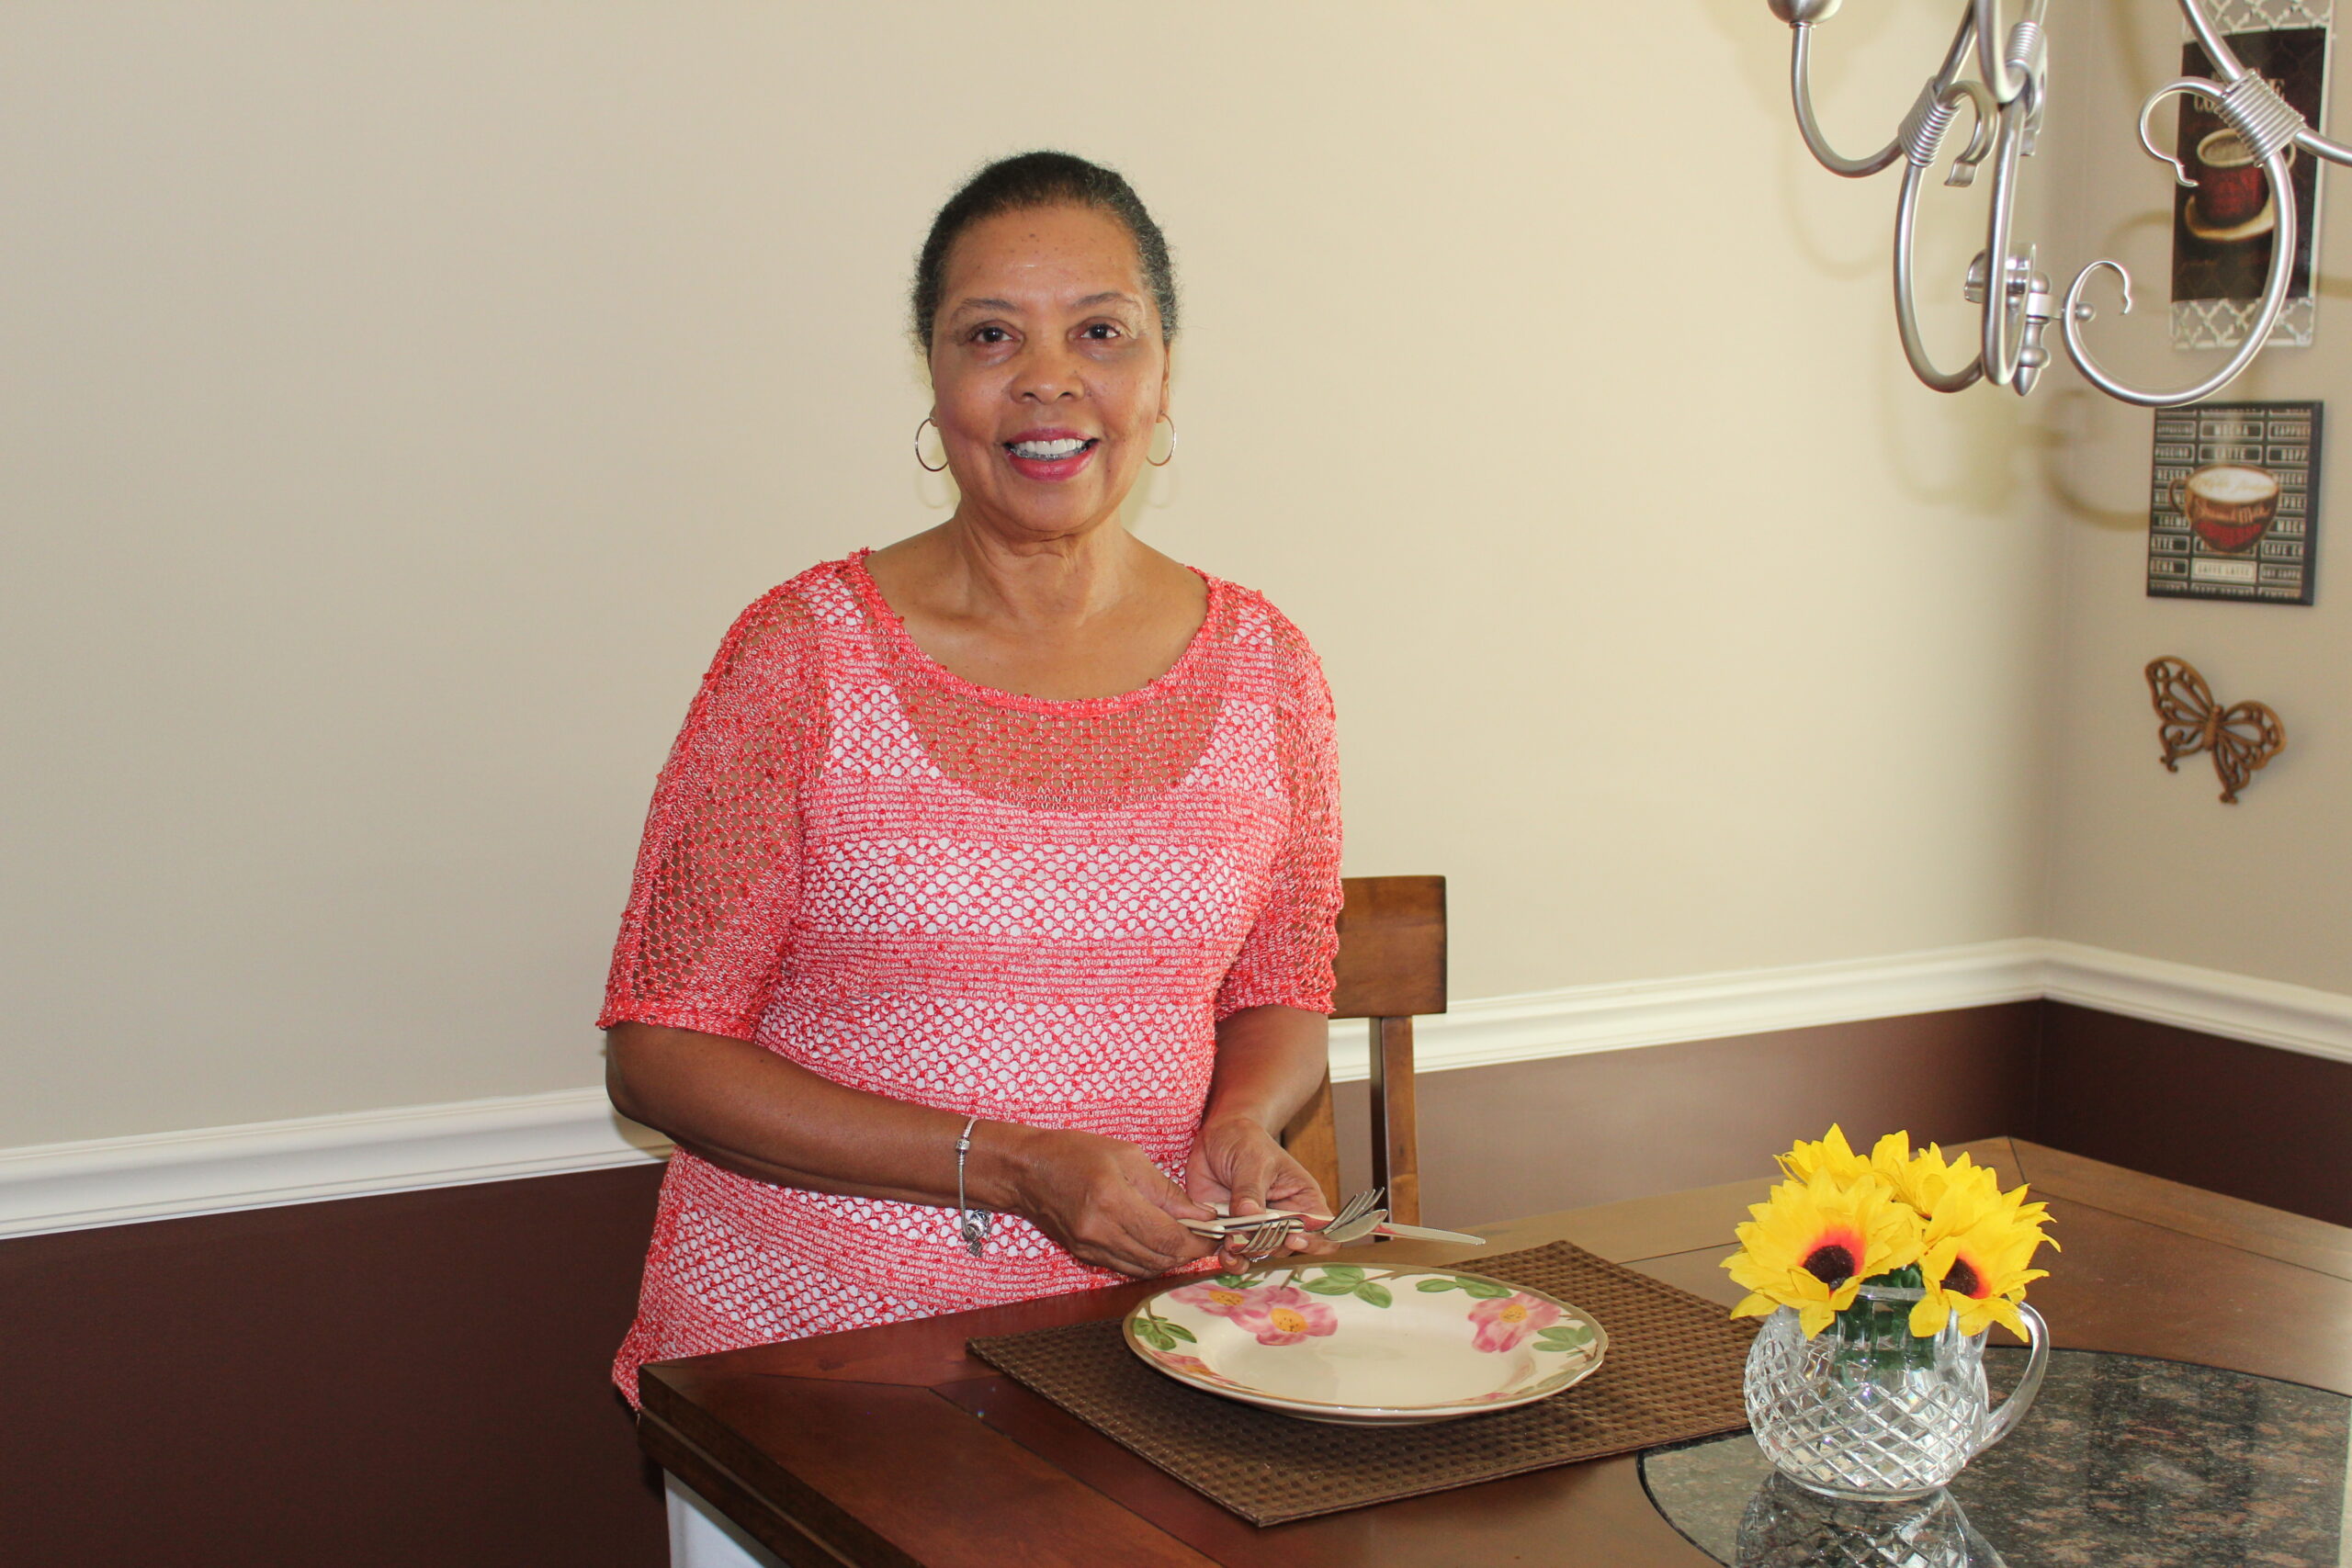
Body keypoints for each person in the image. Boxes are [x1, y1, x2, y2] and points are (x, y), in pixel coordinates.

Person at [600, 152, 1344, 1453]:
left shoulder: (1268, 664)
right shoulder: (803, 653)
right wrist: (1006, 1163)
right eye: (991, 334)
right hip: (813, 1370)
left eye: (1099, 332)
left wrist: (1237, 1124)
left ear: (1162, 378)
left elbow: (1282, 983)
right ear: (936, 384)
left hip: (1146, 1362)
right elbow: (658, 1051)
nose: (1047, 378)